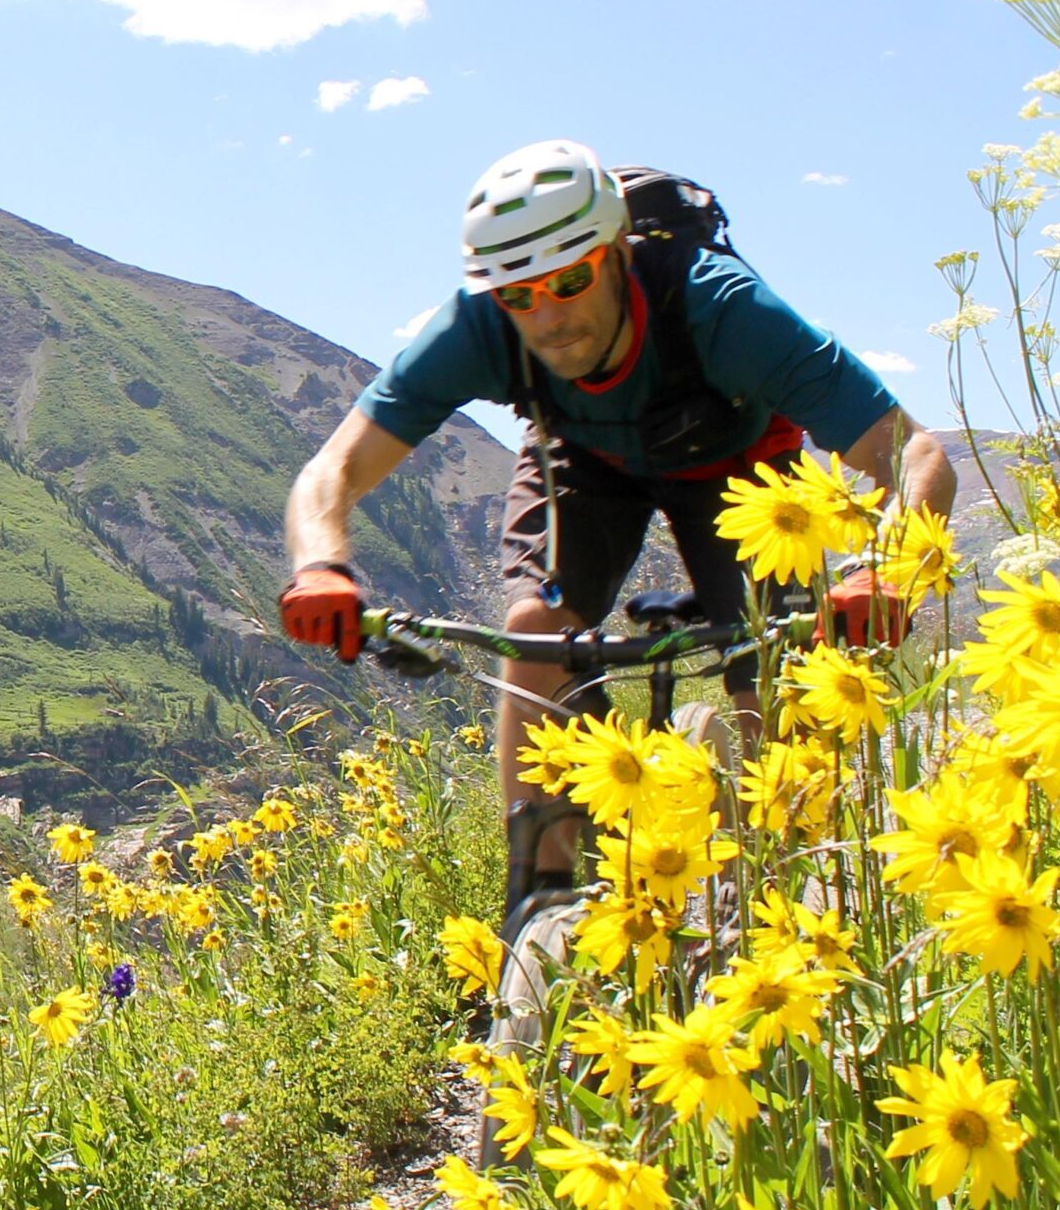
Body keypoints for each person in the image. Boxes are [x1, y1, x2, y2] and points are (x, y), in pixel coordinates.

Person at [279, 138, 955, 915]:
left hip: (742, 462)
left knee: (778, 674)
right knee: (535, 628)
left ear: (617, 255)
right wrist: (320, 566)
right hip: (585, 456)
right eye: (520, 295)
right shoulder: (479, 326)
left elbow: (914, 453)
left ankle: (786, 895)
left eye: (569, 281)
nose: (549, 316)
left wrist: (888, 569)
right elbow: (331, 473)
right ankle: (546, 901)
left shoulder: (724, 308)